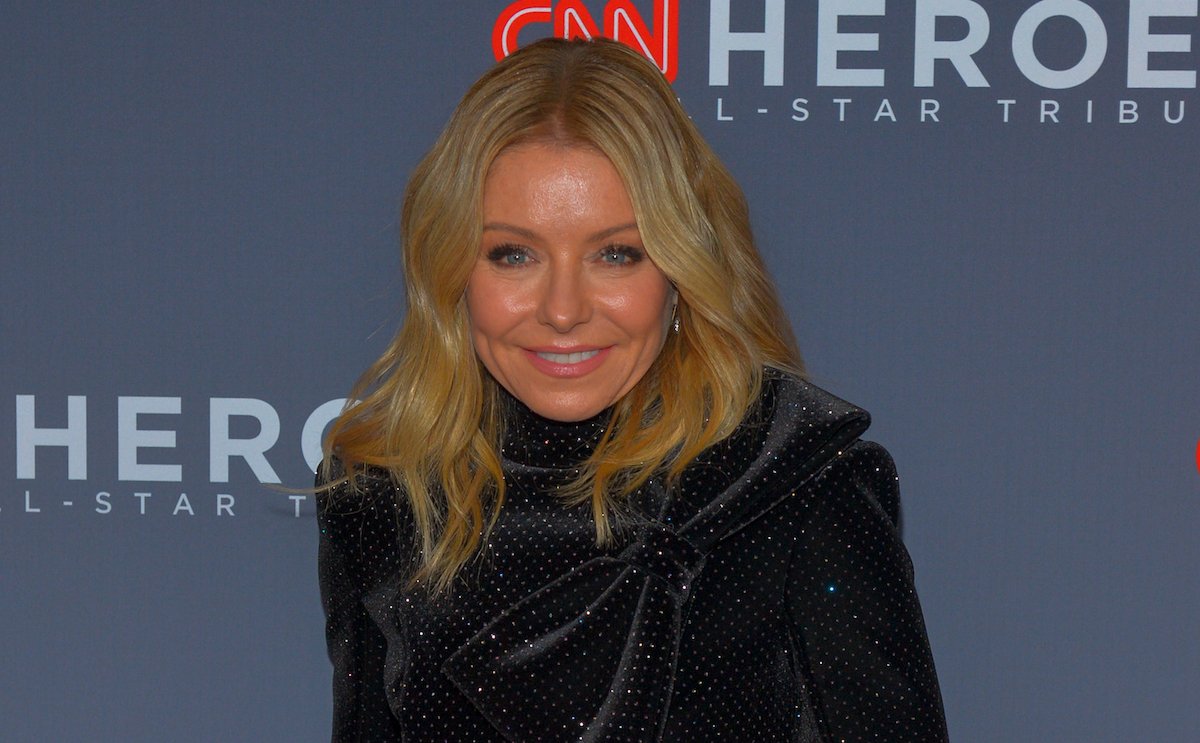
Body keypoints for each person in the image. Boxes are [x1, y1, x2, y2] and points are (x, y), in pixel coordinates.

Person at [318, 37, 948, 743]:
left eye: (616, 254)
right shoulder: (379, 492)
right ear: (451, 270)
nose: (563, 310)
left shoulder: (791, 481)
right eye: (513, 254)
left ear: (680, 273)